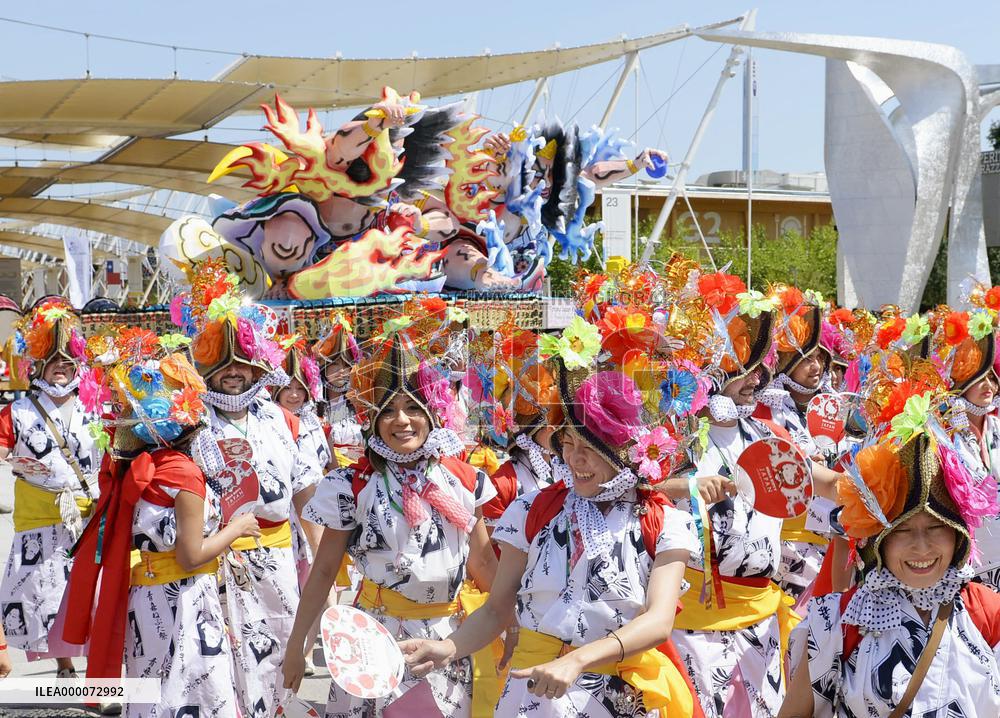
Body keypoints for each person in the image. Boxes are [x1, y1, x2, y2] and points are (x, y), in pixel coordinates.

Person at [398, 323, 703, 718]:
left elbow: (659, 621)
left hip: (618, 696)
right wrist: (448, 647)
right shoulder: (532, 510)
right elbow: (496, 609)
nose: (575, 459)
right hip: (532, 696)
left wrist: (578, 660)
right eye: (568, 443)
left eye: (590, 448)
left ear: (624, 451)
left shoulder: (662, 520)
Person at [282, 317, 499, 718]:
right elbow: (325, 569)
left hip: (448, 639)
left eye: (413, 408)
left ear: (432, 413)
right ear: (373, 420)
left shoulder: (463, 479)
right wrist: (298, 647)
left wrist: (511, 623)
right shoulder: (352, 485)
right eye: (389, 410)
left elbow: (483, 562)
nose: (401, 420)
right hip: (372, 637)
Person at [62, 334, 254, 717]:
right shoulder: (184, 473)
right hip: (184, 602)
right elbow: (190, 555)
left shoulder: (140, 467)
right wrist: (237, 528)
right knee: (195, 699)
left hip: (144, 600)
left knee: (152, 699)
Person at [780, 431, 1000, 716]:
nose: (922, 547)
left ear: (958, 536)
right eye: (902, 530)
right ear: (878, 542)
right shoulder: (841, 619)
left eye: (936, 527)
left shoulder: (984, 611)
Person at [186, 268, 323, 717]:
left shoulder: (283, 420)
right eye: (221, 362)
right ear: (206, 366)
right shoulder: (190, 421)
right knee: (221, 667)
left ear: (256, 365)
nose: (233, 372)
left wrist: (322, 567)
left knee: (281, 659)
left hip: (277, 559)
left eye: (241, 361)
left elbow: (306, 496)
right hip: (215, 559)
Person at [659, 303, 799, 717]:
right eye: (745, 371)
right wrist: (686, 485)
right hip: (695, 626)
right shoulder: (673, 439)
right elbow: (634, 492)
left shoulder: (769, 433)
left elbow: (814, 480)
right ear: (713, 374)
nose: (756, 380)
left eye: (759, 370)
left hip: (760, 622)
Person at [0, 298, 100, 677]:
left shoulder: (96, 407)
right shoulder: (17, 412)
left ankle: (98, 668)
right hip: (39, 519)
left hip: (88, 516)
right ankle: (64, 665)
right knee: (46, 597)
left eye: (67, 360)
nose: (61, 365)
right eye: (54, 359)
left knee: (91, 593)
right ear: (40, 365)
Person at [313, 313, 364, 466]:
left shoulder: (360, 401)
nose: (341, 371)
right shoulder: (313, 405)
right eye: (335, 364)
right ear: (324, 367)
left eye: (346, 365)